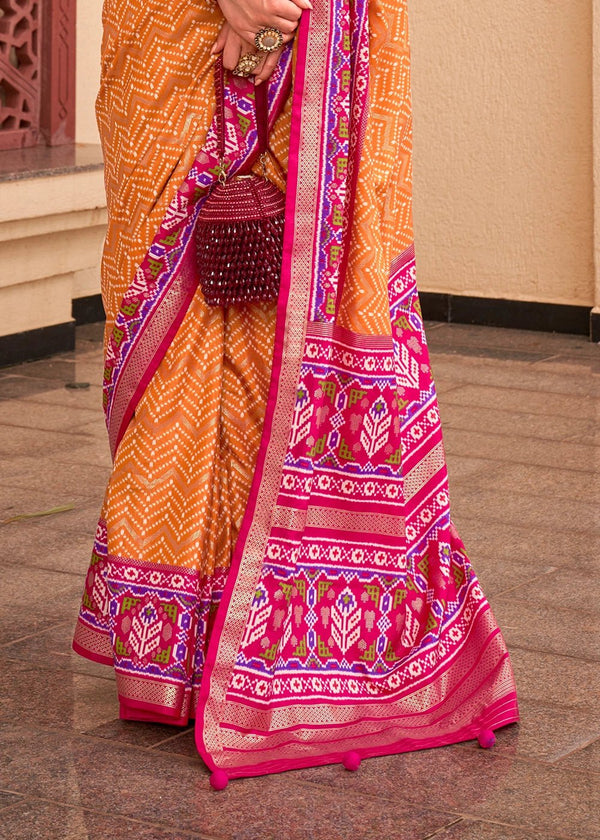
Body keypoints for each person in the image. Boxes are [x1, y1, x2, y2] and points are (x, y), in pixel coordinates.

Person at [73, 0, 519, 785]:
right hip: (166, 21)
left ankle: (281, 640)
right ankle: (180, 646)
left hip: (322, 19)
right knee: (165, 300)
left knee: (286, 308)